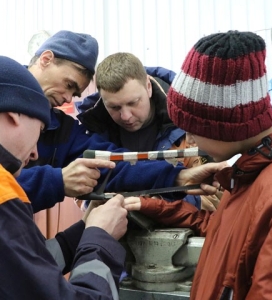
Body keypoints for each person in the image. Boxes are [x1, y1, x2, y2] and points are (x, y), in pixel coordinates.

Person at [124, 30, 272, 299]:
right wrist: (153, 206)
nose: (190, 139)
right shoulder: (251, 172)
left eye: (193, 129)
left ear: (224, 124)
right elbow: (229, 235)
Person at [16, 30, 219, 213]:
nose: (69, 99)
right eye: (68, 85)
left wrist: (179, 178)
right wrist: (55, 181)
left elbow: (115, 164)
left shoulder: (62, 130)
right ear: (46, 59)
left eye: (75, 92)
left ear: (148, 87)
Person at [0, 55, 128, 299]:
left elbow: (26, 270)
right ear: (14, 115)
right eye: (39, 130)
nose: (36, 151)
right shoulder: (3, 194)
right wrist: (100, 239)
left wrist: (84, 231)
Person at [77, 52, 219, 210]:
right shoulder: (91, 131)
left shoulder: (192, 122)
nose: (126, 116)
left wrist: (156, 205)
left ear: (149, 87)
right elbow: (82, 193)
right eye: (114, 107)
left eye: (133, 102)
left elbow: (215, 195)